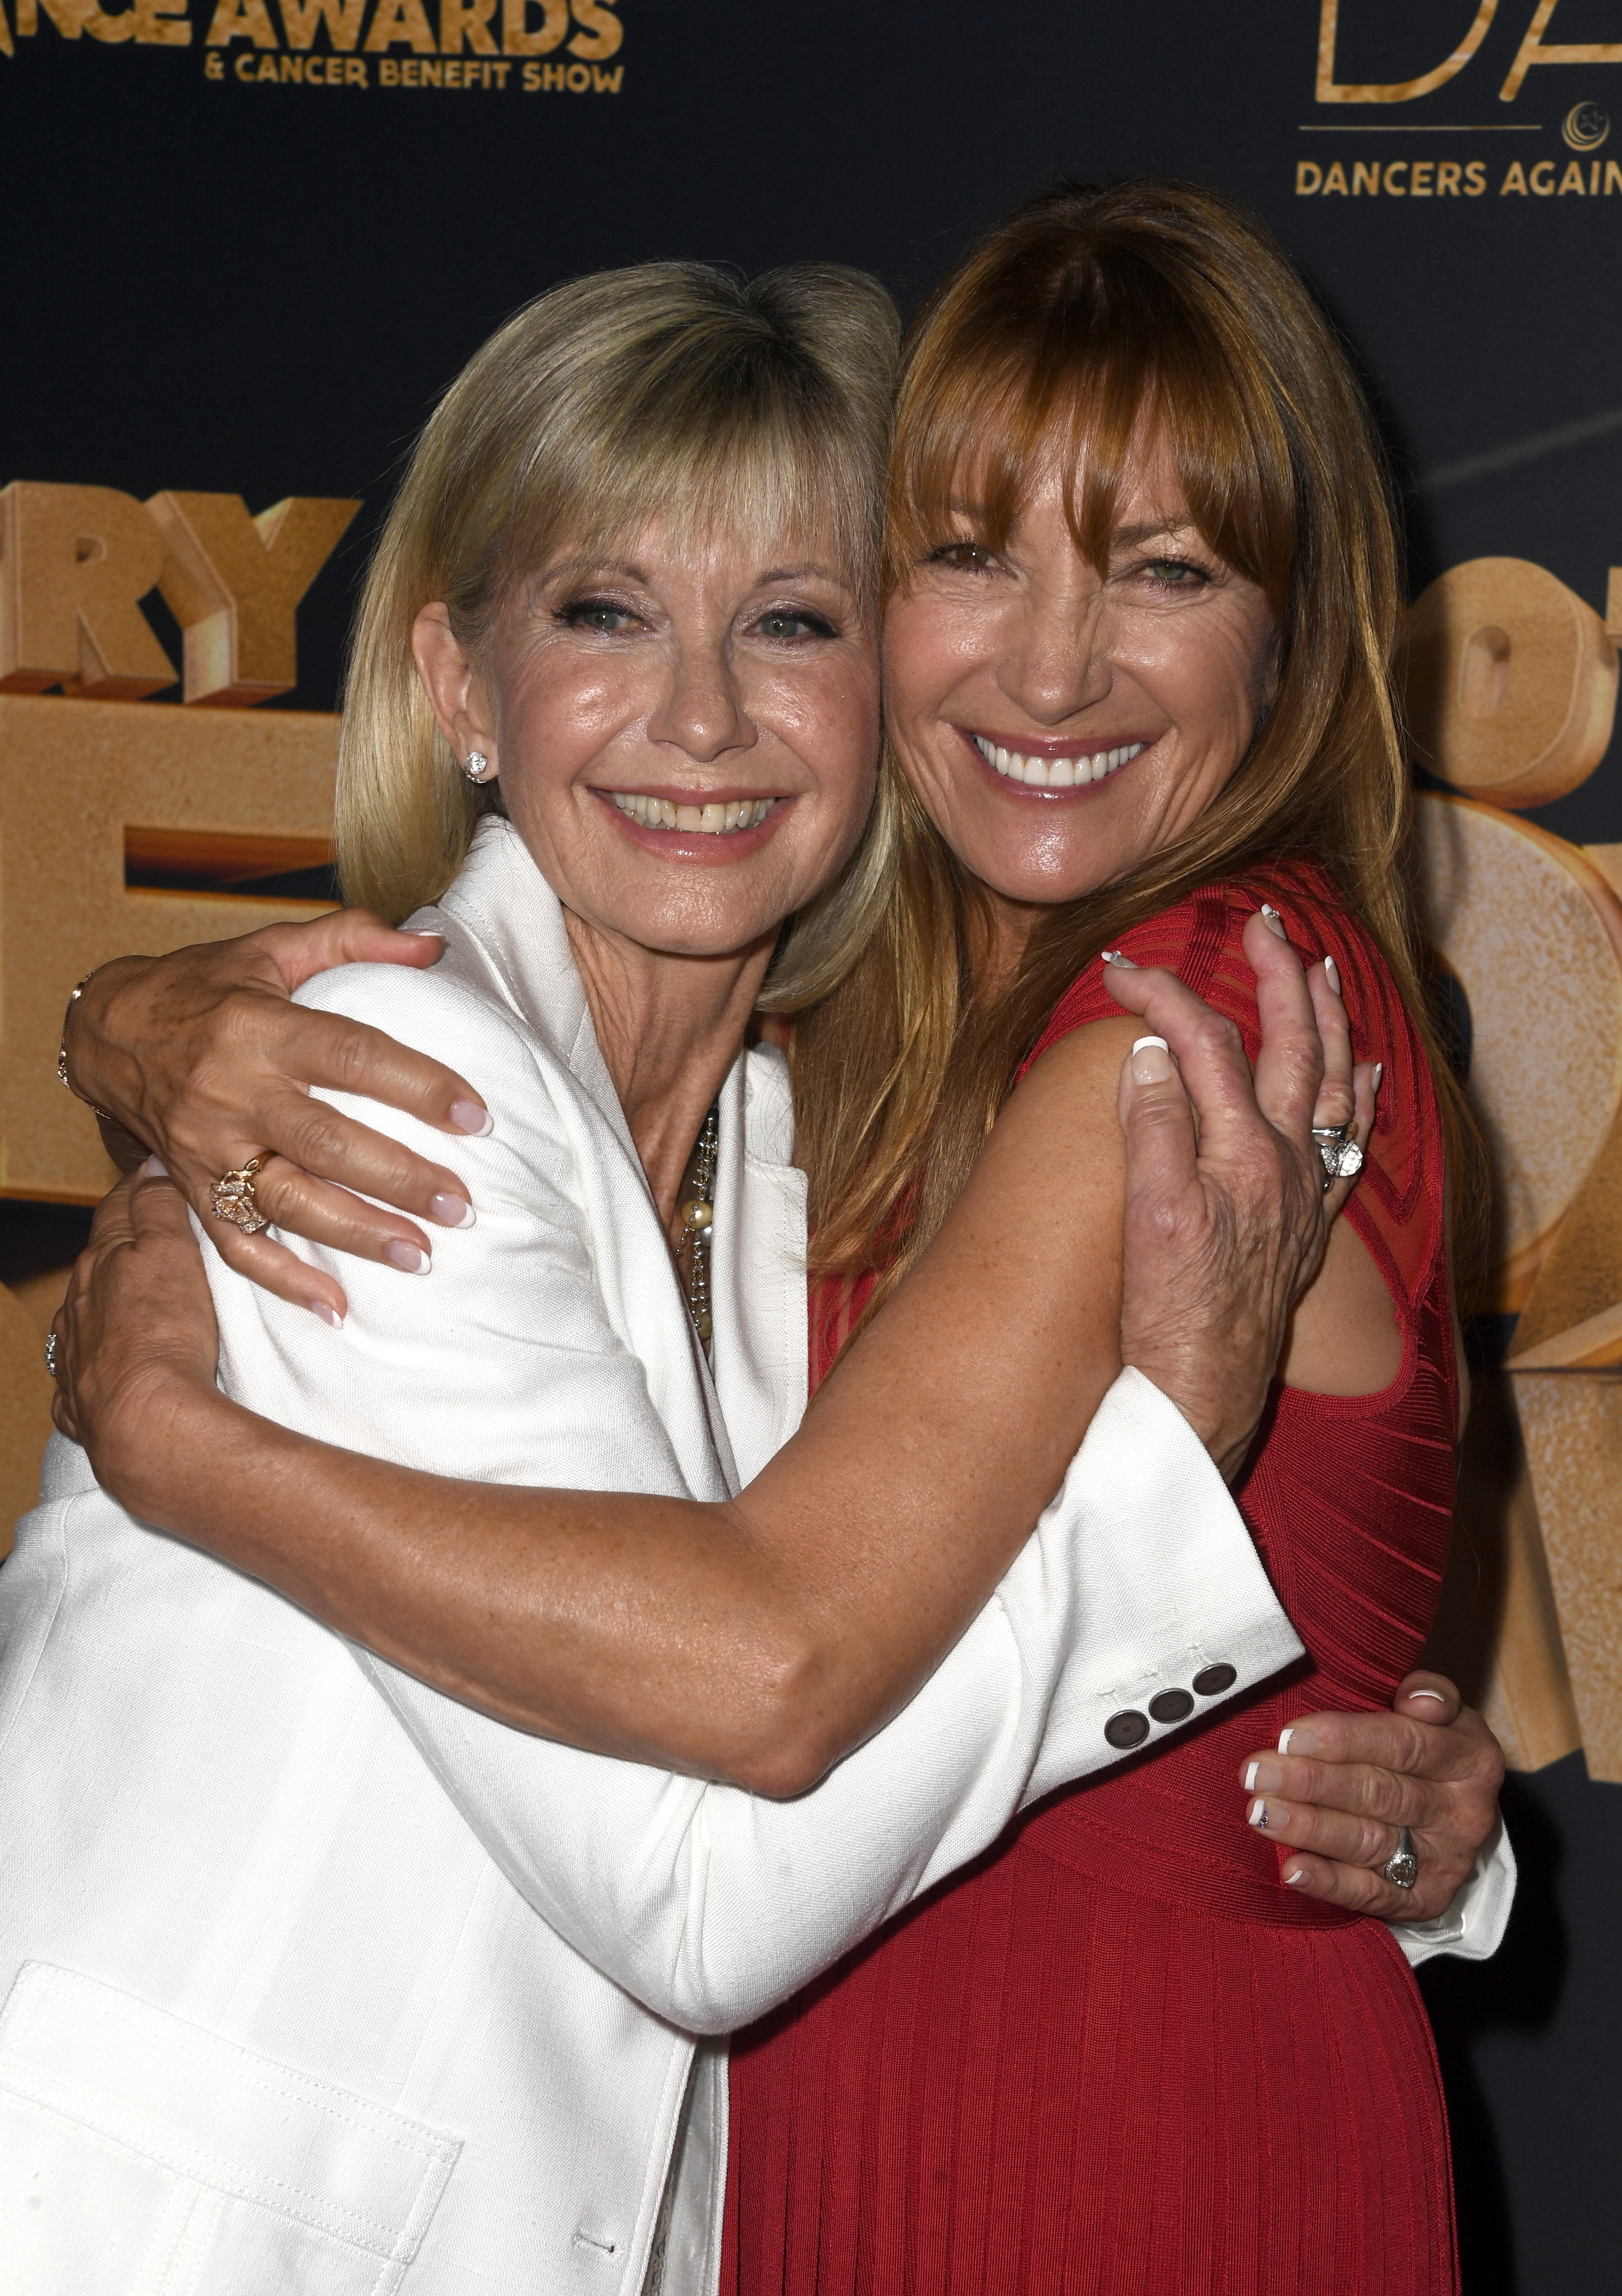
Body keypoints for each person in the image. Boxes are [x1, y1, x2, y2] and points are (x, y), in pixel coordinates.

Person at [42, 190, 1509, 2288]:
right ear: (460, 677)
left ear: (1294, 633)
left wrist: (186, 1455)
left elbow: (770, 1688)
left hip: (1079, 2147)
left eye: (794, 618)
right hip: (236, 2209)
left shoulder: (1189, 1026)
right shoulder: (748, 1086)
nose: (1052, 662)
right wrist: (120, 1021)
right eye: (974, 558)